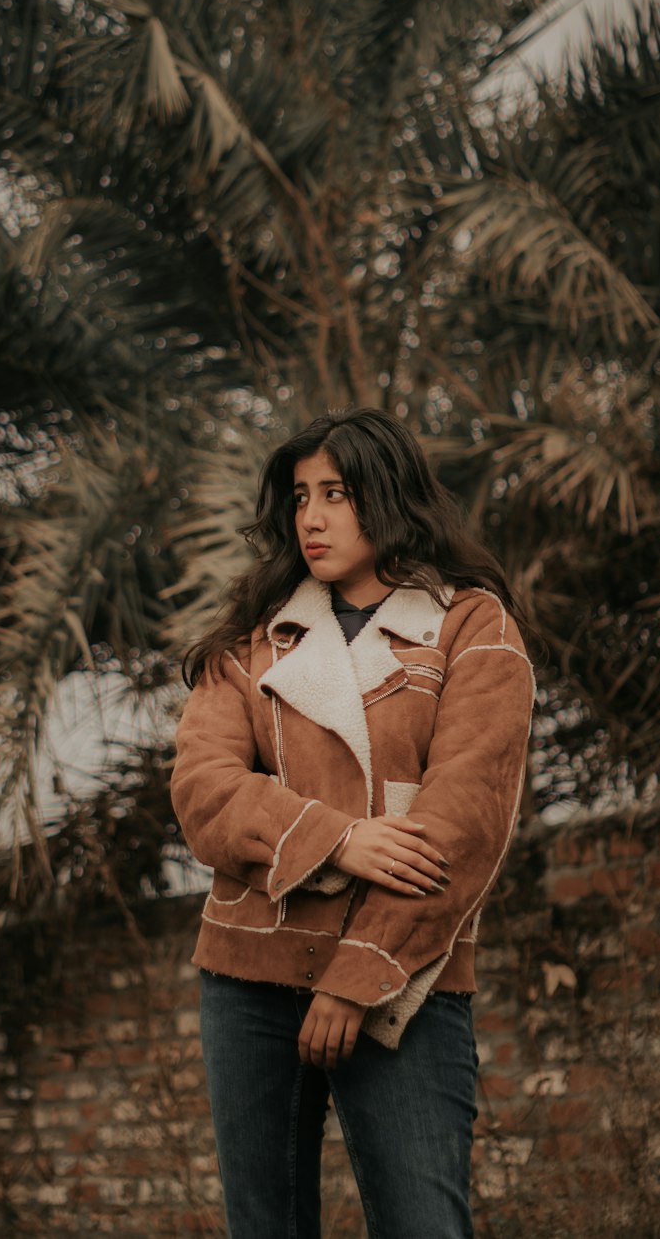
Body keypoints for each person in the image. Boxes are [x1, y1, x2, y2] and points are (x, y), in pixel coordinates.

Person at [171, 406, 536, 1239]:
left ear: (389, 493)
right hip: (246, 976)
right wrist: (341, 838)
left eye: (335, 492)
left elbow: (464, 825)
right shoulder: (250, 645)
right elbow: (204, 791)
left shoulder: (471, 626)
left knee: (423, 1225)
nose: (313, 517)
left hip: (406, 978)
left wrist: (354, 978)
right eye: (300, 497)